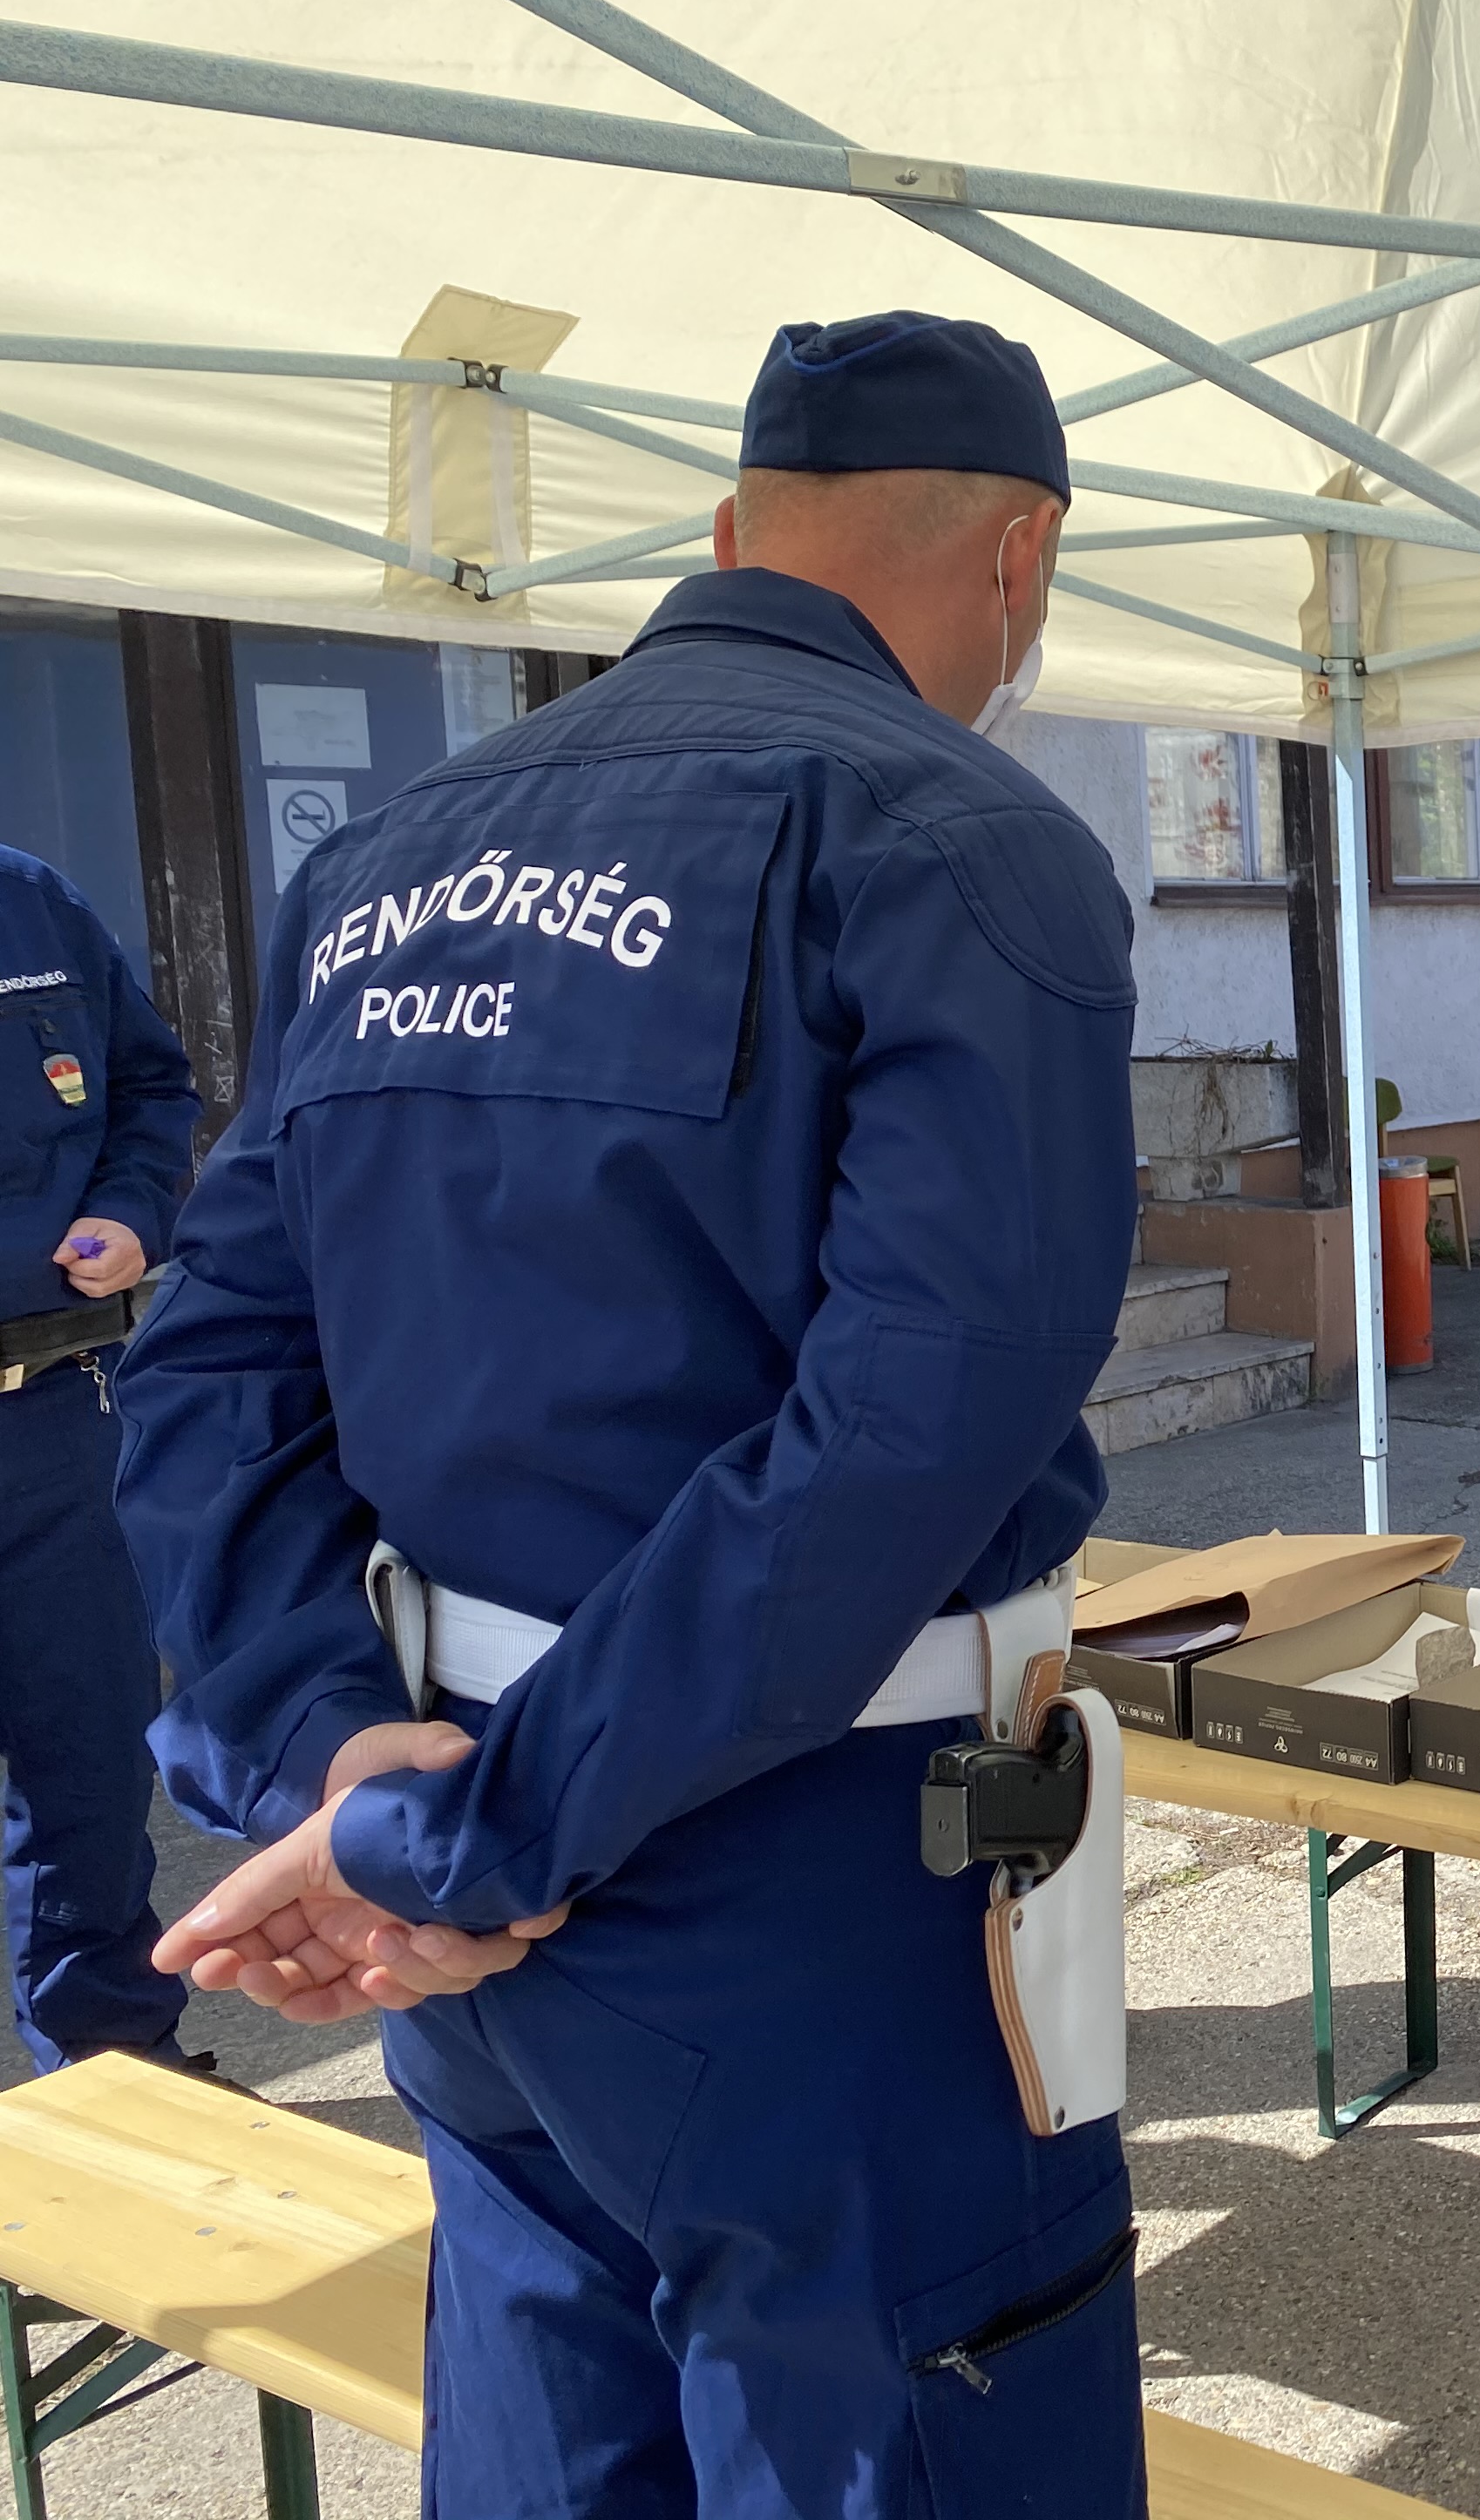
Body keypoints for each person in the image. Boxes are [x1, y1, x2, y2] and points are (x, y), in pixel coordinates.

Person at [118, 311, 1144, 2519]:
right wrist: (472, 1837)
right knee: (908, 2424)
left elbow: (206, 1369)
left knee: (547, 2420)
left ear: (730, 535)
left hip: (460, 1868)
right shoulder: (957, 834)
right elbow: (917, 1418)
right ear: (1020, 555)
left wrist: (339, 1762)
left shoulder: (393, 857)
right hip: (819, 1875)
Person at [0, 845, 199, 2076]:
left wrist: (131, 1211)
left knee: (89, 1758)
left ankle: (112, 2063)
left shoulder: (30, 901)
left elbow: (151, 1086)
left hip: (56, 1414)